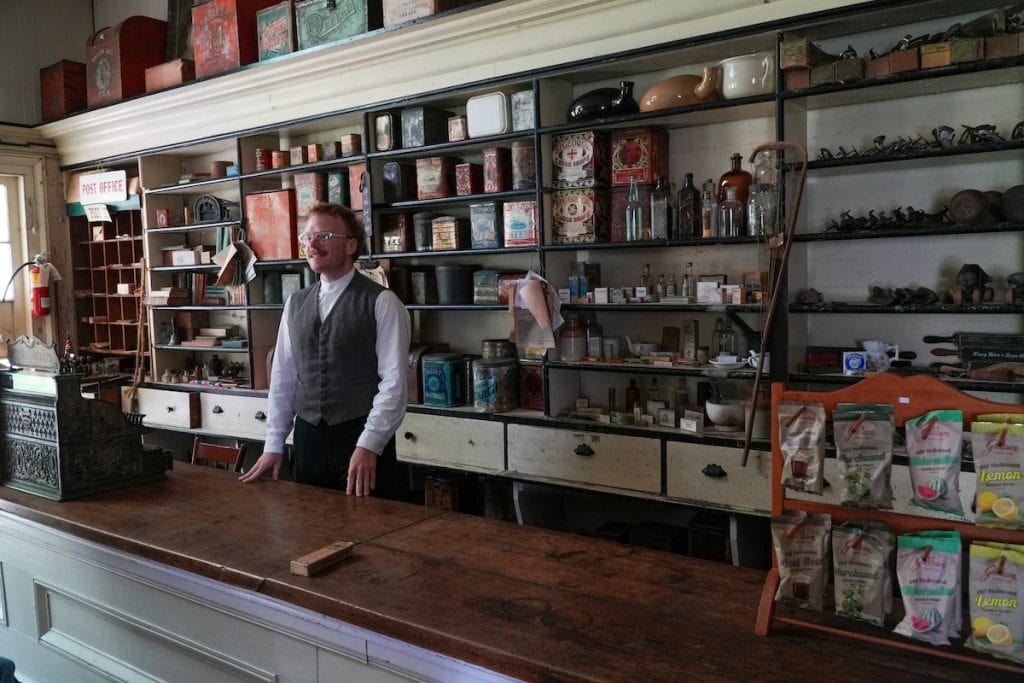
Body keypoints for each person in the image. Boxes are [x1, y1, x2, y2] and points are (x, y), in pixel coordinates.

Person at [240, 203, 411, 496]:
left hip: (359, 435)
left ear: (351, 245)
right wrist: (274, 443)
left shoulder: (382, 302)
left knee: (370, 530)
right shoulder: (295, 303)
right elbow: (283, 379)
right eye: (308, 238)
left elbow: (394, 384)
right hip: (308, 439)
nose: (313, 245)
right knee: (311, 529)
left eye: (324, 236)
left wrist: (370, 443)